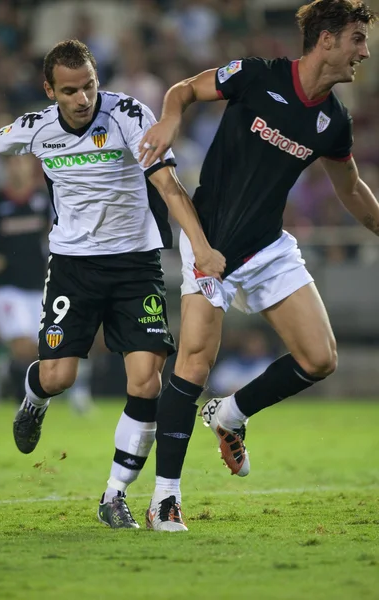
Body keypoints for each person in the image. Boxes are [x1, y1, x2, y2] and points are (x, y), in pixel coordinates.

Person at [139, 0, 379, 531]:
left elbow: (353, 190)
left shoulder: (332, 121)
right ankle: (165, 501)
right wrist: (171, 120)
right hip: (210, 241)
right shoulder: (255, 75)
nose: (364, 51)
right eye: (357, 39)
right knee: (194, 364)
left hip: (267, 248)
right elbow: (183, 90)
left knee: (320, 358)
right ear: (327, 40)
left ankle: (231, 413)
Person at [0, 39, 225, 529]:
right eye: (69, 90)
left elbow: (168, 184)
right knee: (58, 378)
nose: (83, 98)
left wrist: (199, 245)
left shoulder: (129, 115)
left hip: (136, 265)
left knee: (146, 380)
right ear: (50, 90)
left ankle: (114, 494)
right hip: (74, 267)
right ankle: (34, 395)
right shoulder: (37, 129)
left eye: (89, 85)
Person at [0, 155, 50, 402]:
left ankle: (3, 371)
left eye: (22, 162)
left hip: (37, 284)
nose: (18, 167)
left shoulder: (43, 199)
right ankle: (22, 393)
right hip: (6, 285)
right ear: (7, 168)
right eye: (13, 163)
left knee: (37, 349)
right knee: (22, 344)